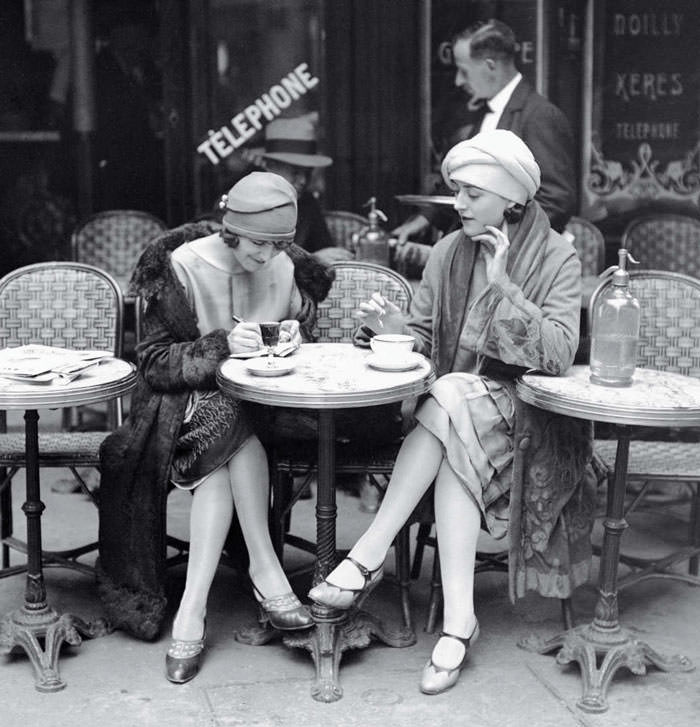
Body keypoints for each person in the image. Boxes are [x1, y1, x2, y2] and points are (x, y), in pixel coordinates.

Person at [308, 130, 596, 695]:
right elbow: (421, 337)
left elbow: (560, 355)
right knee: (452, 412)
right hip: (458, 414)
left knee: (448, 400)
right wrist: (393, 329)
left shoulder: (559, 256)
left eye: (470, 193)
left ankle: (368, 553)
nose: (457, 204)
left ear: (510, 199)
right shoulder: (446, 252)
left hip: (531, 414)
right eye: (456, 192)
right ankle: (459, 620)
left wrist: (503, 283)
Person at [97, 172, 335, 683]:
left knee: (234, 425)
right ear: (230, 230)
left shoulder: (284, 265)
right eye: (258, 243)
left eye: (280, 245)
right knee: (229, 417)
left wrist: (293, 332)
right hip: (177, 409)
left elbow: (296, 337)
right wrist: (222, 347)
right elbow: (155, 365)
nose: (268, 257)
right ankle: (264, 569)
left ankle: (194, 610)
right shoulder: (181, 266)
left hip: (264, 408)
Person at [393, 18, 576, 268]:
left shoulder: (540, 116)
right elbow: (469, 183)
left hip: (521, 265)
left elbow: (556, 201)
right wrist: (425, 219)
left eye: (464, 71)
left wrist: (499, 242)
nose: (458, 81)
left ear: (490, 66)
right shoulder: (483, 114)